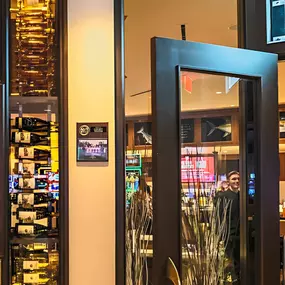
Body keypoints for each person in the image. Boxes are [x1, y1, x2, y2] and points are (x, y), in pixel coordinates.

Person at [215, 171, 240, 284]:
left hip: (241, 236)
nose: (236, 181)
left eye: (238, 179)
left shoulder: (243, 196)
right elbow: (219, 217)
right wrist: (219, 235)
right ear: (229, 181)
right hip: (228, 235)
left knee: (239, 262)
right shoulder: (223, 197)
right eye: (234, 179)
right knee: (230, 263)